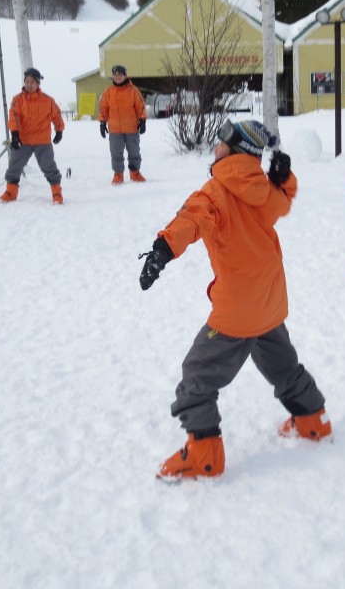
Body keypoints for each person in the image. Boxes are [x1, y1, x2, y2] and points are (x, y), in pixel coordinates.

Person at [139, 119, 332, 480]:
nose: (215, 145)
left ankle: (204, 455)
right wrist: (283, 178)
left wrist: (162, 249)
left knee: (198, 373)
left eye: (221, 140)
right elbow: (282, 202)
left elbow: (192, 220)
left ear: (236, 148)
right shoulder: (264, 188)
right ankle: (312, 421)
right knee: (282, 366)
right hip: (269, 300)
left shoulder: (215, 190)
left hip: (238, 308)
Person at [0, 67, 65, 205]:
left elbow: (56, 116)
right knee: (14, 167)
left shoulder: (48, 100)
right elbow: (13, 117)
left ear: (38, 84)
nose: (29, 85)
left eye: (32, 82)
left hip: (42, 141)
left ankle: (56, 192)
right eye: (27, 82)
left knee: (49, 166)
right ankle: (11, 192)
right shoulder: (18, 99)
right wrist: (15, 135)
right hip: (23, 141)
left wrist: (59, 131)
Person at [99, 64, 147, 184]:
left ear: (125, 76)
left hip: (132, 128)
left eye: (120, 75)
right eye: (115, 75)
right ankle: (118, 174)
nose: (117, 77)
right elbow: (103, 109)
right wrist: (102, 123)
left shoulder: (133, 91)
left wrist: (143, 120)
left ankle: (135, 173)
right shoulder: (108, 92)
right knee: (116, 153)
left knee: (134, 152)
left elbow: (141, 107)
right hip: (115, 129)